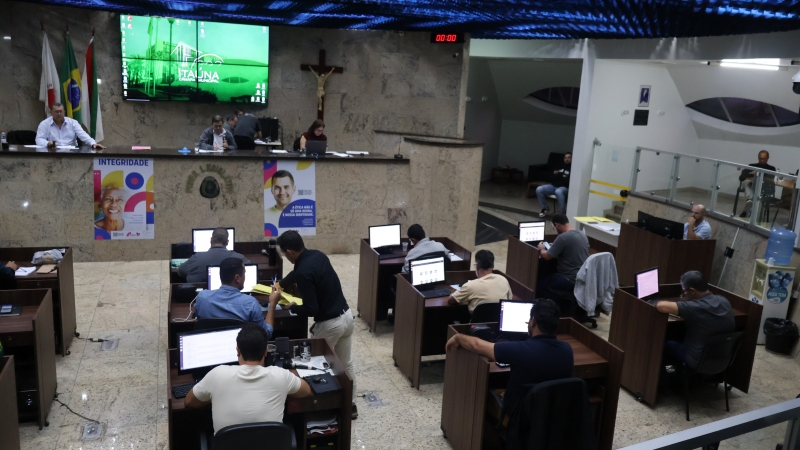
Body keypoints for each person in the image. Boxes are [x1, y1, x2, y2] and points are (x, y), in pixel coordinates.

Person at [274, 230, 358, 419]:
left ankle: (318, 406)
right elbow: (297, 273)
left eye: (285, 254)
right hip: (346, 317)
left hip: (330, 325)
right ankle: (351, 405)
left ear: (289, 252)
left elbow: (311, 309)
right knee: (346, 363)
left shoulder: (303, 271)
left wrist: (292, 307)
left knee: (313, 363)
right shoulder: (317, 255)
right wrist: (281, 284)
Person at [445, 299, 573, 418]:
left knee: (482, 394)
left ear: (533, 321)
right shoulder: (567, 350)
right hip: (553, 414)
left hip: (520, 415)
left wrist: (458, 337)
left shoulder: (520, 350)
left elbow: (477, 345)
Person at [185, 322, 312, 434]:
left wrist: (214, 395)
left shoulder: (217, 374)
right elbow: (306, 391)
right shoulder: (281, 375)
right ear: (266, 351)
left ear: (238, 350)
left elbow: (189, 402)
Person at [654, 271, 734, 375]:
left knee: (668, 344)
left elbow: (661, 306)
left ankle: (663, 380)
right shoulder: (724, 301)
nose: (684, 295)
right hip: (723, 361)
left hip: (698, 362)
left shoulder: (695, 307)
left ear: (692, 291)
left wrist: (654, 301)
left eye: (684, 291)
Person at [194, 258, 276, 338]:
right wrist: (272, 304)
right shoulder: (251, 303)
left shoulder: (202, 297)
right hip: (240, 346)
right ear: (237, 278)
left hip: (210, 345)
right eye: (244, 274)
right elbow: (265, 335)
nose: (245, 277)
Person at [536, 213, 589, 302]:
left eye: (554, 227)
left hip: (568, 279)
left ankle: (550, 306)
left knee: (539, 284)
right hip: (582, 277)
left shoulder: (563, 237)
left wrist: (541, 248)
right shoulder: (582, 234)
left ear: (556, 224)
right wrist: (555, 245)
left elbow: (547, 256)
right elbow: (570, 246)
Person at [447, 250, 512, 313]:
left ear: (477, 266)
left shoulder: (470, 286)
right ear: (493, 266)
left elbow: (451, 301)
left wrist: (453, 294)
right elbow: (509, 300)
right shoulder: (503, 280)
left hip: (478, 321)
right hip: (499, 320)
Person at [178, 228, 250, 282]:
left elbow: (180, 271)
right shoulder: (239, 258)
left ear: (211, 240)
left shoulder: (196, 257)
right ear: (227, 242)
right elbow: (251, 270)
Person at [35, 103, 106, 149]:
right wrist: (47, 143)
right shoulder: (44, 124)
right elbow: (39, 139)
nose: (59, 114)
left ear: (64, 112)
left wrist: (93, 143)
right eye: (56, 112)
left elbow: (83, 135)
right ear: (51, 113)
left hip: (71, 152)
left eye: (61, 111)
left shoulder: (73, 123)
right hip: (53, 151)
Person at [739, 150, 776, 218]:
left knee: (751, 195)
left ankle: (746, 210)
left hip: (763, 187)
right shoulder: (752, 166)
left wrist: (756, 174)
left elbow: (771, 179)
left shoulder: (771, 168)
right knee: (747, 182)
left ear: (767, 158)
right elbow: (742, 178)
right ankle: (750, 199)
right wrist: (750, 175)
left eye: (764, 159)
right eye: (760, 158)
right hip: (751, 185)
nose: (762, 160)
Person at [536, 152, 571, 217]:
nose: (567, 159)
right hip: (554, 185)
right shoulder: (559, 166)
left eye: (569, 158)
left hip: (564, 187)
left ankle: (562, 212)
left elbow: (568, 180)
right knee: (539, 189)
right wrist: (562, 176)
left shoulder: (572, 168)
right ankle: (545, 208)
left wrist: (558, 175)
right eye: (565, 158)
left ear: (571, 159)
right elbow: (552, 177)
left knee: (558, 192)